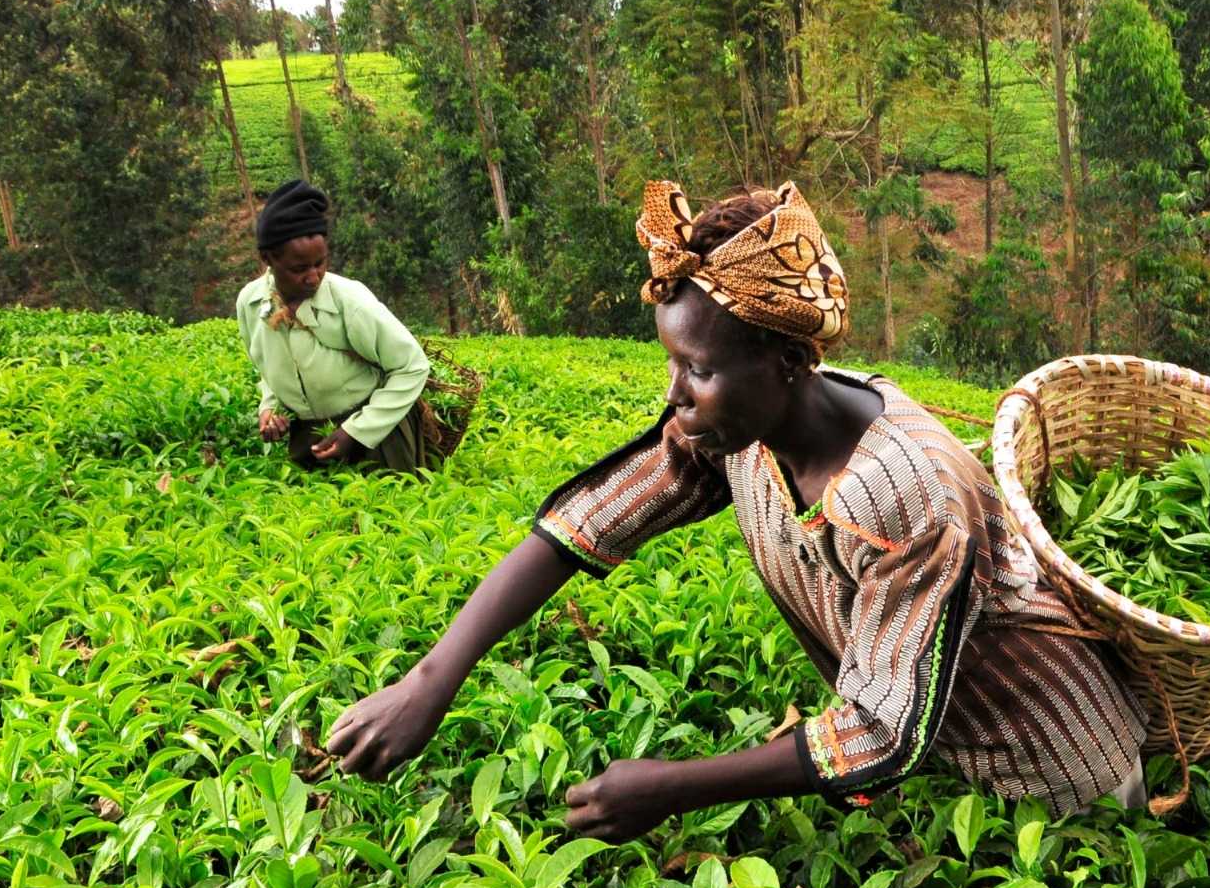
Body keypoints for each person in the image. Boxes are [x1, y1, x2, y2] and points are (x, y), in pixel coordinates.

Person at [326, 181, 1147, 840]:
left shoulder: (907, 495)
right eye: (672, 364)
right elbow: (591, 522)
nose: (676, 397)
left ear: (787, 361)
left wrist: (669, 788)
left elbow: (879, 735)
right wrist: (431, 679)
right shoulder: (737, 433)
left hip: (1056, 775)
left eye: (698, 371)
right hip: (941, 761)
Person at [237, 179, 439, 474]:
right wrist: (270, 409)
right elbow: (267, 368)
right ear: (267, 259)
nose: (313, 276)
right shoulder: (251, 303)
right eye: (299, 268)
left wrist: (356, 431)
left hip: (377, 437)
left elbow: (413, 366)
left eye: (320, 263)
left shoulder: (350, 301)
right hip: (309, 439)